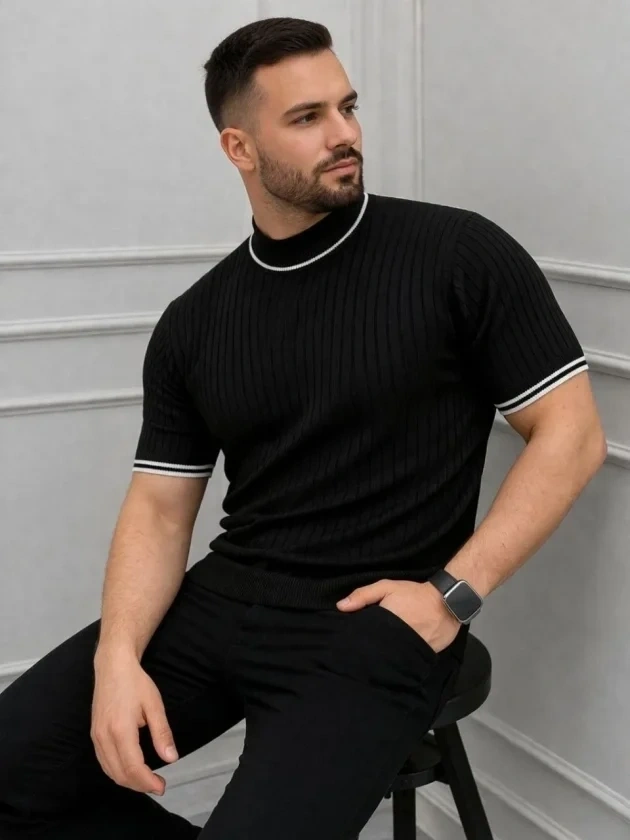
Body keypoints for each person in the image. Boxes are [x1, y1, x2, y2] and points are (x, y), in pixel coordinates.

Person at [0, 16, 607, 840]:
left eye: (347, 107)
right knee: (11, 769)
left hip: (374, 625)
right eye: (307, 117)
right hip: (225, 600)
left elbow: (571, 434)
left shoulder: (459, 254)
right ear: (239, 148)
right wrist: (118, 656)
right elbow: (159, 509)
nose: (344, 134)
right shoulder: (195, 321)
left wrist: (450, 596)